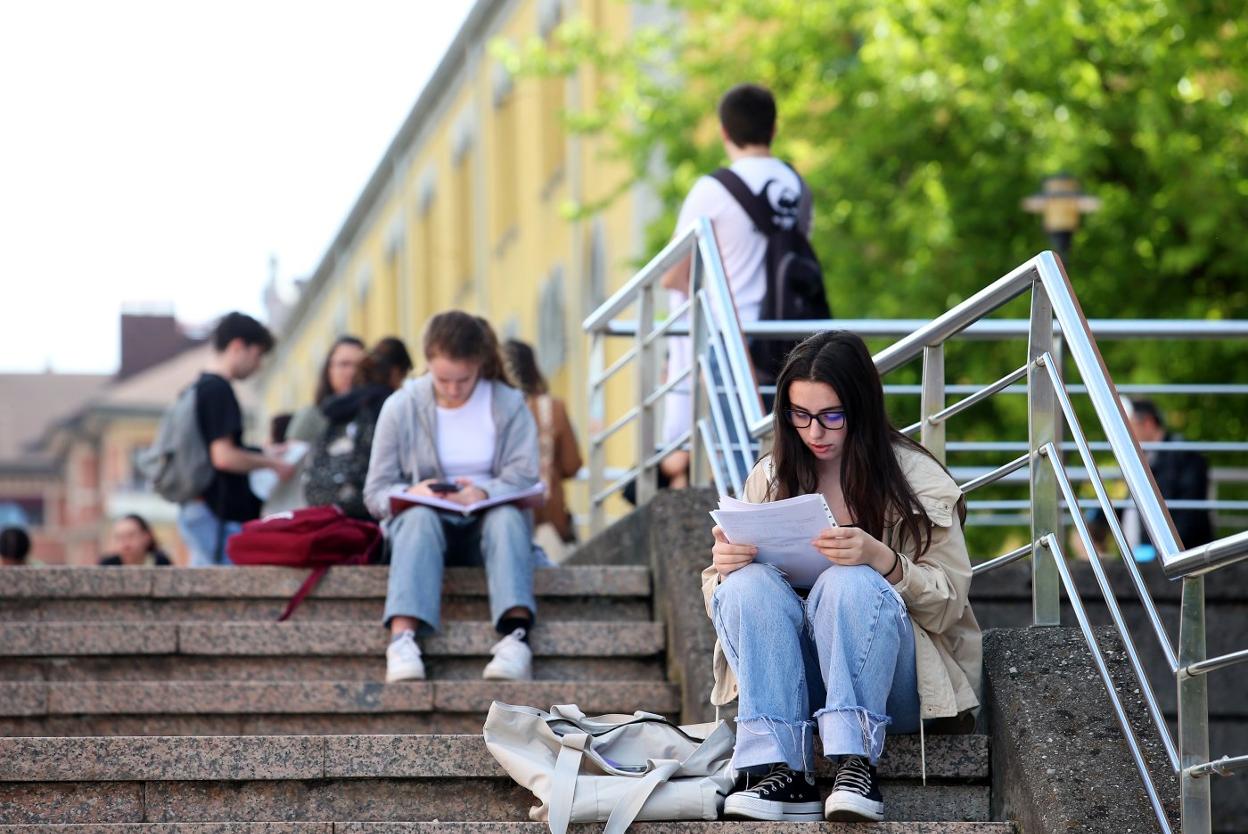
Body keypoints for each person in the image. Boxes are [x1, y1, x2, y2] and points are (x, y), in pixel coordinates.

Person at [705, 331, 981, 823]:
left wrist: (883, 560)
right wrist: (726, 572)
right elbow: (723, 605)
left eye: (832, 415)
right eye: (801, 415)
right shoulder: (770, 475)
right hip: (792, 677)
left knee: (847, 581)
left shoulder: (917, 480)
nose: (816, 432)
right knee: (745, 584)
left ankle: (857, 765)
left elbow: (949, 604)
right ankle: (782, 769)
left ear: (862, 407)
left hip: (895, 677)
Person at [363, 311, 541, 683]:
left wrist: (484, 491)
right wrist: (413, 492)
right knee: (418, 516)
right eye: (443, 379)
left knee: (507, 516)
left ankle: (515, 638)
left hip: (489, 526)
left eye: (464, 379)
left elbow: (525, 477)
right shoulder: (401, 406)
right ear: (427, 361)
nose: (454, 389)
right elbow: (376, 491)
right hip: (423, 533)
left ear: (480, 364)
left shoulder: (508, 404)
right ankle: (402, 638)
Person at [659, 83, 814, 488]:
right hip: (792, 334)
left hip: (735, 342)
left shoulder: (713, 189)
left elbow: (672, 274)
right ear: (774, 128)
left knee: (743, 459)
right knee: (796, 442)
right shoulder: (798, 186)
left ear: (724, 131)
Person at [179, 312, 294, 566]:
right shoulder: (219, 390)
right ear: (238, 347)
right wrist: (273, 464)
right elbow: (224, 456)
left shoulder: (198, 388)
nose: (259, 365)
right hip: (214, 514)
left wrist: (265, 452)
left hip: (197, 509)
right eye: (258, 354)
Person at [1088, 398, 1214, 559]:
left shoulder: (1183, 456)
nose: (1124, 433)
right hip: (1148, 560)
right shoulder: (1144, 458)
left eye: (1129, 425)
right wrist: (1093, 522)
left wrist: (1161, 554)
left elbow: (1189, 514)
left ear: (1147, 423)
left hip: (1174, 562)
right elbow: (1130, 503)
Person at [305, 336, 414, 519]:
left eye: (355, 364)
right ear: (397, 372)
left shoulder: (333, 410)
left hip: (327, 507)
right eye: (344, 364)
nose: (350, 372)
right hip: (367, 508)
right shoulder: (389, 405)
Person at [502, 339, 583, 553]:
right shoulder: (553, 408)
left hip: (505, 515)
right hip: (550, 516)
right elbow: (572, 464)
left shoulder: (495, 409)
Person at [99, 515, 172, 566]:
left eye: (131, 536)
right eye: (119, 538)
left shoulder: (161, 563)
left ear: (146, 537)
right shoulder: (107, 565)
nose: (125, 544)